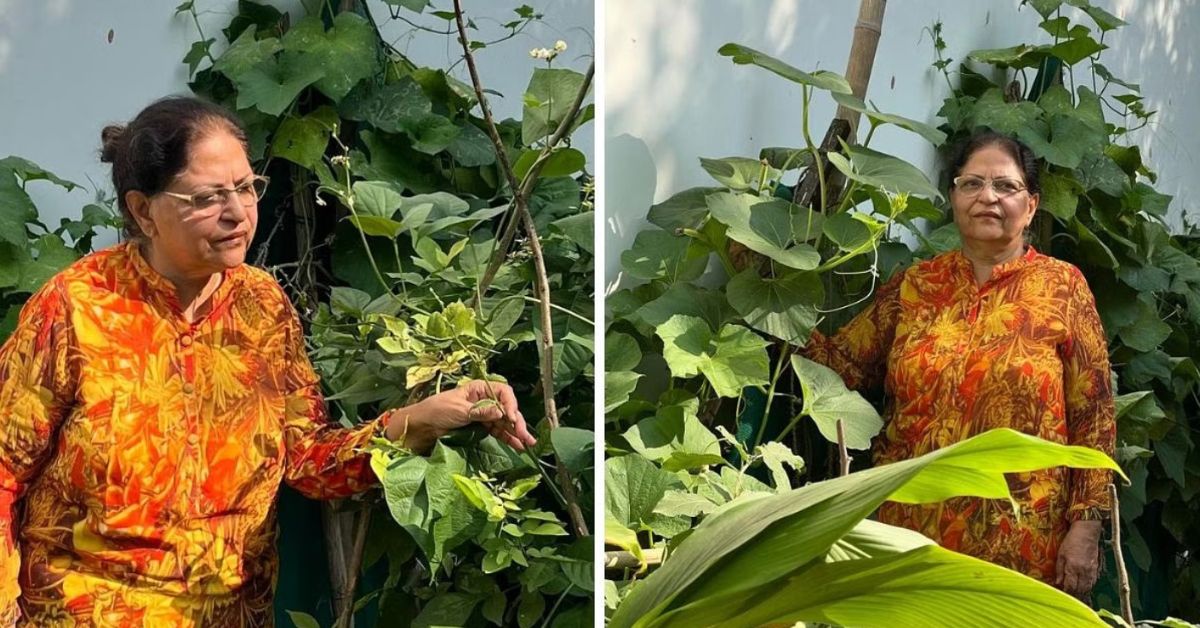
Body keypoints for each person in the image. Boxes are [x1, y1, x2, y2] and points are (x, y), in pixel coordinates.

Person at [0, 96, 536, 626]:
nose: (237, 212)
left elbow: (306, 460)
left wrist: (415, 421)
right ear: (144, 210)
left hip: (233, 614)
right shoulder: (77, 307)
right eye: (208, 197)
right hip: (88, 610)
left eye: (246, 187)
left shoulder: (261, 306)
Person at [805, 130, 1116, 599]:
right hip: (910, 535)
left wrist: (1086, 526)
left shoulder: (1062, 288)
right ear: (953, 196)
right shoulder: (916, 285)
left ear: (1031, 206)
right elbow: (838, 367)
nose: (987, 197)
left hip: (1023, 543)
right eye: (971, 183)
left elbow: (1094, 415)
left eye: (1005, 186)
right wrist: (771, 286)